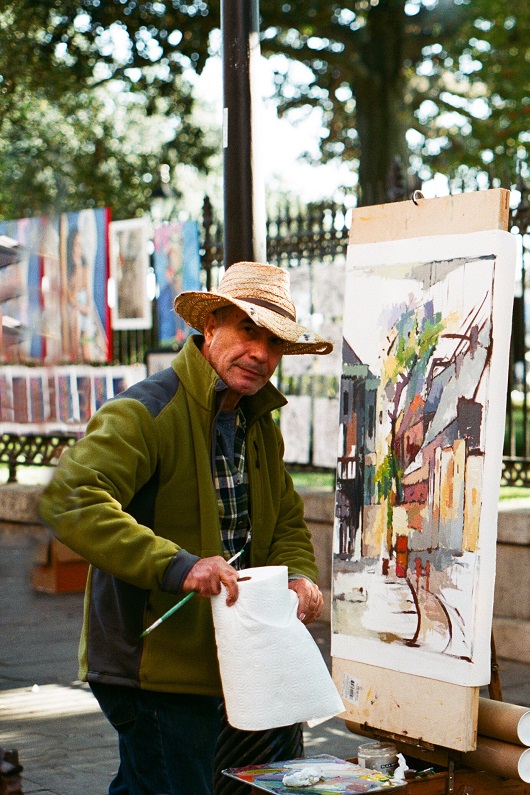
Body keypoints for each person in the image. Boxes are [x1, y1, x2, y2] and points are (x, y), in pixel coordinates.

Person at [40, 261, 334, 795]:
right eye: (250, 331)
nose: (263, 354)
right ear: (211, 326)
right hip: (153, 664)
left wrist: (299, 575)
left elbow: (285, 518)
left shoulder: (257, 422)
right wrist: (180, 566)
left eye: (276, 343)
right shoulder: (146, 410)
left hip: (238, 659)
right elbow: (70, 499)